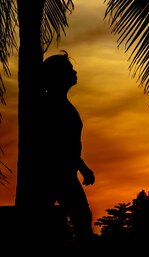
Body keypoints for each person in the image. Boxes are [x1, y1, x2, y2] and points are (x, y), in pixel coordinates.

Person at [40, 51, 95, 240]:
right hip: (57, 173)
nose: (75, 72)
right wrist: (82, 168)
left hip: (65, 173)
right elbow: (58, 144)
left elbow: (67, 145)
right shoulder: (53, 105)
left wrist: (83, 167)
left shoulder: (60, 103)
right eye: (70, 69)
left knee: (79, 218)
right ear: (59, 75)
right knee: (81, 218)